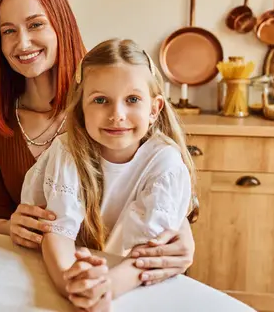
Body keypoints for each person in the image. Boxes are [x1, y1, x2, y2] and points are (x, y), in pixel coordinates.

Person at [0, 0, 196, 286]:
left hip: (129, 281)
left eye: (35, 24)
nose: (22, 42)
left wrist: (183, 236)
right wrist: (13, 227)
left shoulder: (106, 100)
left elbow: (162, 184)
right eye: (8, 31)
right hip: (38, 275)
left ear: (61, 26)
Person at [20, 38, 196, 310]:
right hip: (79, 275)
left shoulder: (165, 163)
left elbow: (149, 253)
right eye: (100, 100)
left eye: (133, 99)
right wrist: (71, 283)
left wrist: (105, 288)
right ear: (81, 108)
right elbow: (57, 232)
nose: (117, 114)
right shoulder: (67, 151)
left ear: (154, 109)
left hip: (139, 287)